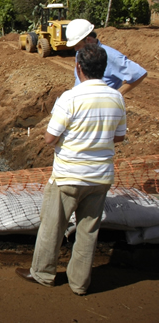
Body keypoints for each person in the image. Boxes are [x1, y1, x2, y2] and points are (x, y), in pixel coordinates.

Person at [15, 44, 127, 296]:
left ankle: (43, 273)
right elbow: (118, 137)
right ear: (103, 68)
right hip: (100, 177)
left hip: (68, 176)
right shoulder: (116, 97)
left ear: (78, 67)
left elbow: (50, 137)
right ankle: (79, 283)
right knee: (88, 231)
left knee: (52, 227)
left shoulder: (70, 97)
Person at [66, 18, 147, 96]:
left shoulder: (111, 55)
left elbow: (139, 73)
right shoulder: (80, 53)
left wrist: (116, 95)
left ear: (89, 40)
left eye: (77, 45)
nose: (76, 49)